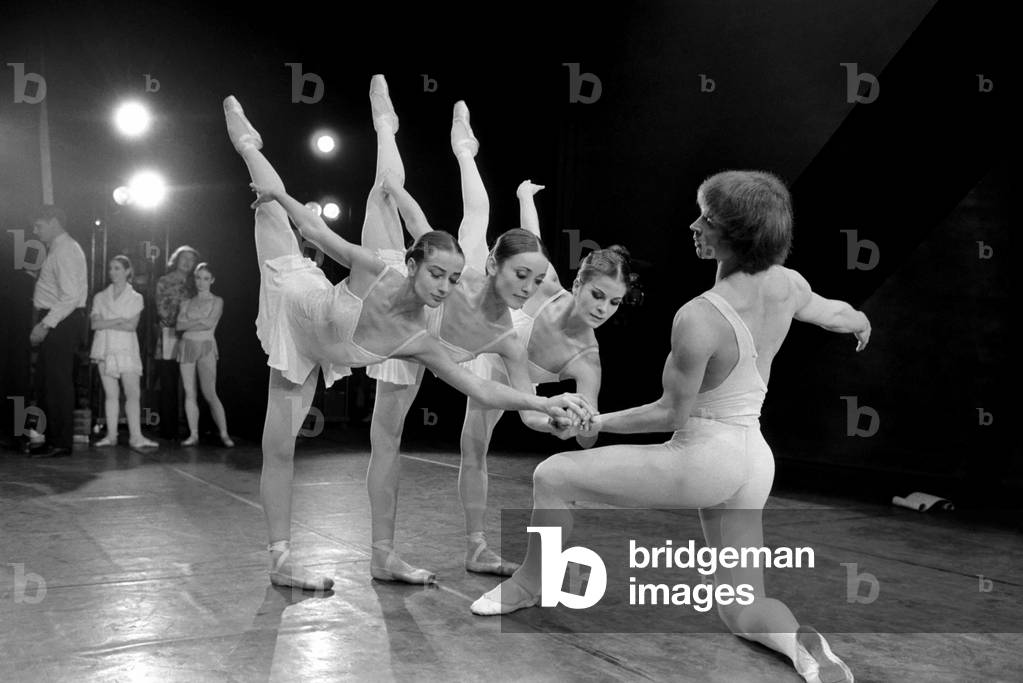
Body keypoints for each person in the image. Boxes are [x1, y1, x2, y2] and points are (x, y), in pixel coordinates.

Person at [471, 170, 869, 683]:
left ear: (736, 234)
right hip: (755, 463)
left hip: (706, 458)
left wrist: (596, 419)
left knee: (552, 474)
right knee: (742, 609)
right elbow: (832, 313)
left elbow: (670, 415)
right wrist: (859, 319)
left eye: (707, 217)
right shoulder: (787, 285)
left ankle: (531, 581)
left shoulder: (699, 316)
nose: (694, 224)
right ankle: (802, 645)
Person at [224, 82, 593, 593]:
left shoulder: (429, 339)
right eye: (437, 276)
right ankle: (254, 143)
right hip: (298, 305)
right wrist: (282, 196)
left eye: (450, 279)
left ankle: (294, 562)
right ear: (418, 265)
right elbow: (315, 232)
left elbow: (483, 390)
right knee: (290, 209)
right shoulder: (385, 270)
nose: (444, 288)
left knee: (282, 447)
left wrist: (551, 410)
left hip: (335, 345)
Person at [364, 99, 574, 584]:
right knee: (386, 440)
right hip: (410, 325)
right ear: (497, 268)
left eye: (535, 281)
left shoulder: (507, 337)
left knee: (473, 443)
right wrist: (394, 186)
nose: (528, 288)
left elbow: (525, 409)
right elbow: (420, 229)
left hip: (452, 344)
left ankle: (476, 549)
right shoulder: (460, 276)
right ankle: (428, 139)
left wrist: (554, 417)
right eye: (521, 275)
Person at [456, 180, 636, 576]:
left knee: (478, 446)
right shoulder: (548, 287)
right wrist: (523, 197)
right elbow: (531, 240)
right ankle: (465, 154)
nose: (604, 309)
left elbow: (580, 427)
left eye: (614, 302)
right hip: (482, 330)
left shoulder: (587, 360)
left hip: (512, 379)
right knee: (471, 234)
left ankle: (476, 548)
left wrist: (566, 426)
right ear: (577, 285)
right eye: (597, 295)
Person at [29, 205, 88, 458]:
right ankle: (51, 438)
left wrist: (45, 324)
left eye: (39, 225)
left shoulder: (65, 250)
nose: (35, 230)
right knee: (46, 382)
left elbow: (71, 296)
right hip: (58, 317)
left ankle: (61, 442)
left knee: (58, 382)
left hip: (61, 320)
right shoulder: (59, 248)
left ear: (54, 222)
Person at [90, 255, 157, 449]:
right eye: (111, 268)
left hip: (126, 349)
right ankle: (111, 436)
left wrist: (109, 322)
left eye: (117, 268)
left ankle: (136, 437)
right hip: (104, 348)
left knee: (132, 393)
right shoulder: (100, 297)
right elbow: (95, 323)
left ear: (128, 271)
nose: (113, 272)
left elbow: (131, 326)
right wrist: (118, 320)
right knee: (110, 394)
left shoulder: (136, 297)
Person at [176, 262, 233, 447]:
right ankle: (193, 434)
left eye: (206, 278)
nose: (201, 282)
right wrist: (199, 321)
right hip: (187, 345)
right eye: (199, 278)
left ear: (212, 280)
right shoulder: (186, 302)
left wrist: (193, 322)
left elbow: (209, 324)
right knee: (189, 392)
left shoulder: (217, 301)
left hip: (206, 346)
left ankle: (224, 433)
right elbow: (179, 325)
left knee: (209, 393)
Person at [156, 245, 200, 439]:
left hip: (192, 338)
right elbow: (162, 311)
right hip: (170, 336)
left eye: (192, 259)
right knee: (168, 382)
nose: (187, 262)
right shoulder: (164, 281)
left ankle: (194, 429)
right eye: (184, 257)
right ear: (176, 258)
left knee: (192, 384)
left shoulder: (196, 283)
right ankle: (169, 429)